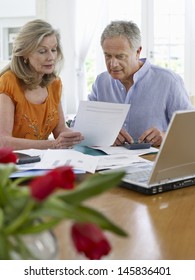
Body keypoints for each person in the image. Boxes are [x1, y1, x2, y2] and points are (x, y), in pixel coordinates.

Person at [88, 20, 194, 147]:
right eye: (108, 56)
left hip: (153, 162)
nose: (113, 64)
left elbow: (190, 130)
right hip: (109, 163)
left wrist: (165, 137)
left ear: (138, 52)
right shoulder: (101, 82)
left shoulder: (169, 81)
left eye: (120, 56)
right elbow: (81, 125)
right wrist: (104, 133)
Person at [0, 19, 84, 150]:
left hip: (41, 161)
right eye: (42, 51)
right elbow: (3, 142)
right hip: (12, 165)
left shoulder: (54, 84)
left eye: (54, 49)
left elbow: (60, 129)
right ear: (25, 54)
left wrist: (80, 137)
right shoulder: (7, 83)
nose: (51, 57)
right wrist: (52, 144)